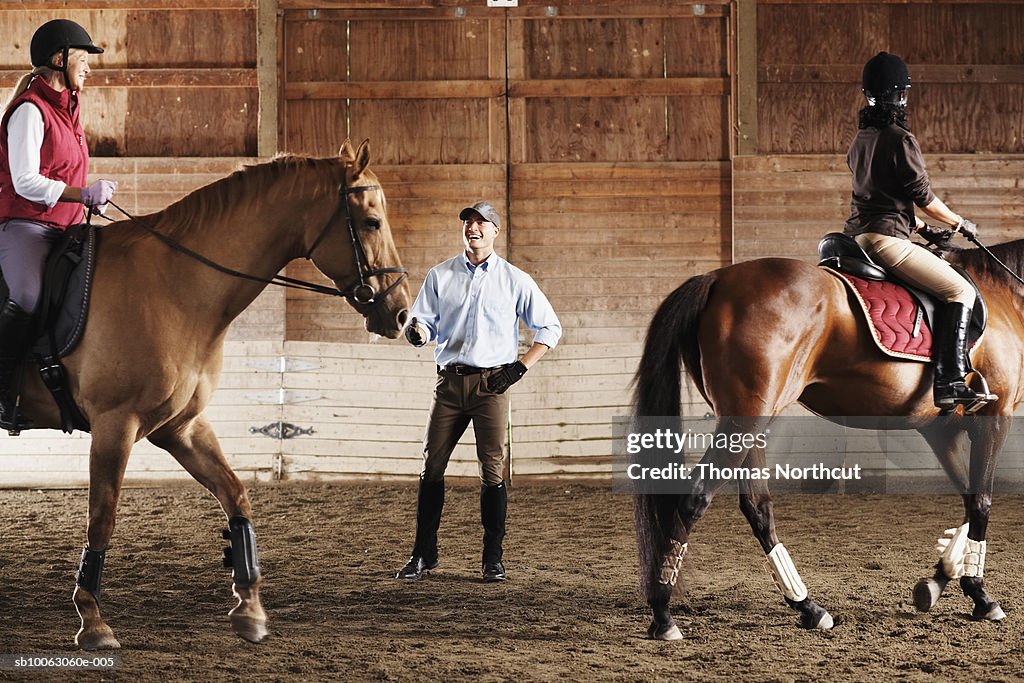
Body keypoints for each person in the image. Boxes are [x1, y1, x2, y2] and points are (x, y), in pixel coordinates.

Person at [396, 201, 562, 582]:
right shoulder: (440, 276)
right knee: (431, 466)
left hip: (492, 386)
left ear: (495, 232)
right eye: (468, 222)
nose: (472, 227)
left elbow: (550, 329)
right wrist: (418, 332)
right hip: (449, 384)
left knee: (492, 471)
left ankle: (493, 558)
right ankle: (423, 554)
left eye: (481, 222)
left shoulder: (515, 280)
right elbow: (423, 323)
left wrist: (519, 368)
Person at [843, 51, 995, 410]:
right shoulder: (900, 139)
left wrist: (921, 227)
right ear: (901, 95)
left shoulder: (860, 140)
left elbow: (879, 198)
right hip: (885, 241)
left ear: (868, 96)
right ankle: (950, 381)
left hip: (856, 238)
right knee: (960, 290)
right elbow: (924, 198)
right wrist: (959, 223)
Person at [0, 19, 117, 430]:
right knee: (28, 296)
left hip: (65, 227)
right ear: (59, 59)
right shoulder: (31, 111)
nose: (88, 68)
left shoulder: (69, 110)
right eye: (82, 60)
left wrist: (89, 201)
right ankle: (1, 391)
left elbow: (65, 171)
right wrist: (82, 193)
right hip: (26, 225)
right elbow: (27, 181)